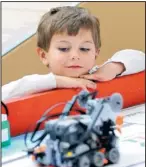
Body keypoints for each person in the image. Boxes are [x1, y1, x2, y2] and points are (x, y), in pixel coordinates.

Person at [2, 6, 145, 101]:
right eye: (64, 49)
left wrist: (113, 67)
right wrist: (58, 81)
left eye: (84, 49)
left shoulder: (97, 75)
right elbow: (4, 94)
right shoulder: (39, 85)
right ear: (44, 56)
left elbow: (140, 57)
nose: (75, 55)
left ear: (96, 53)